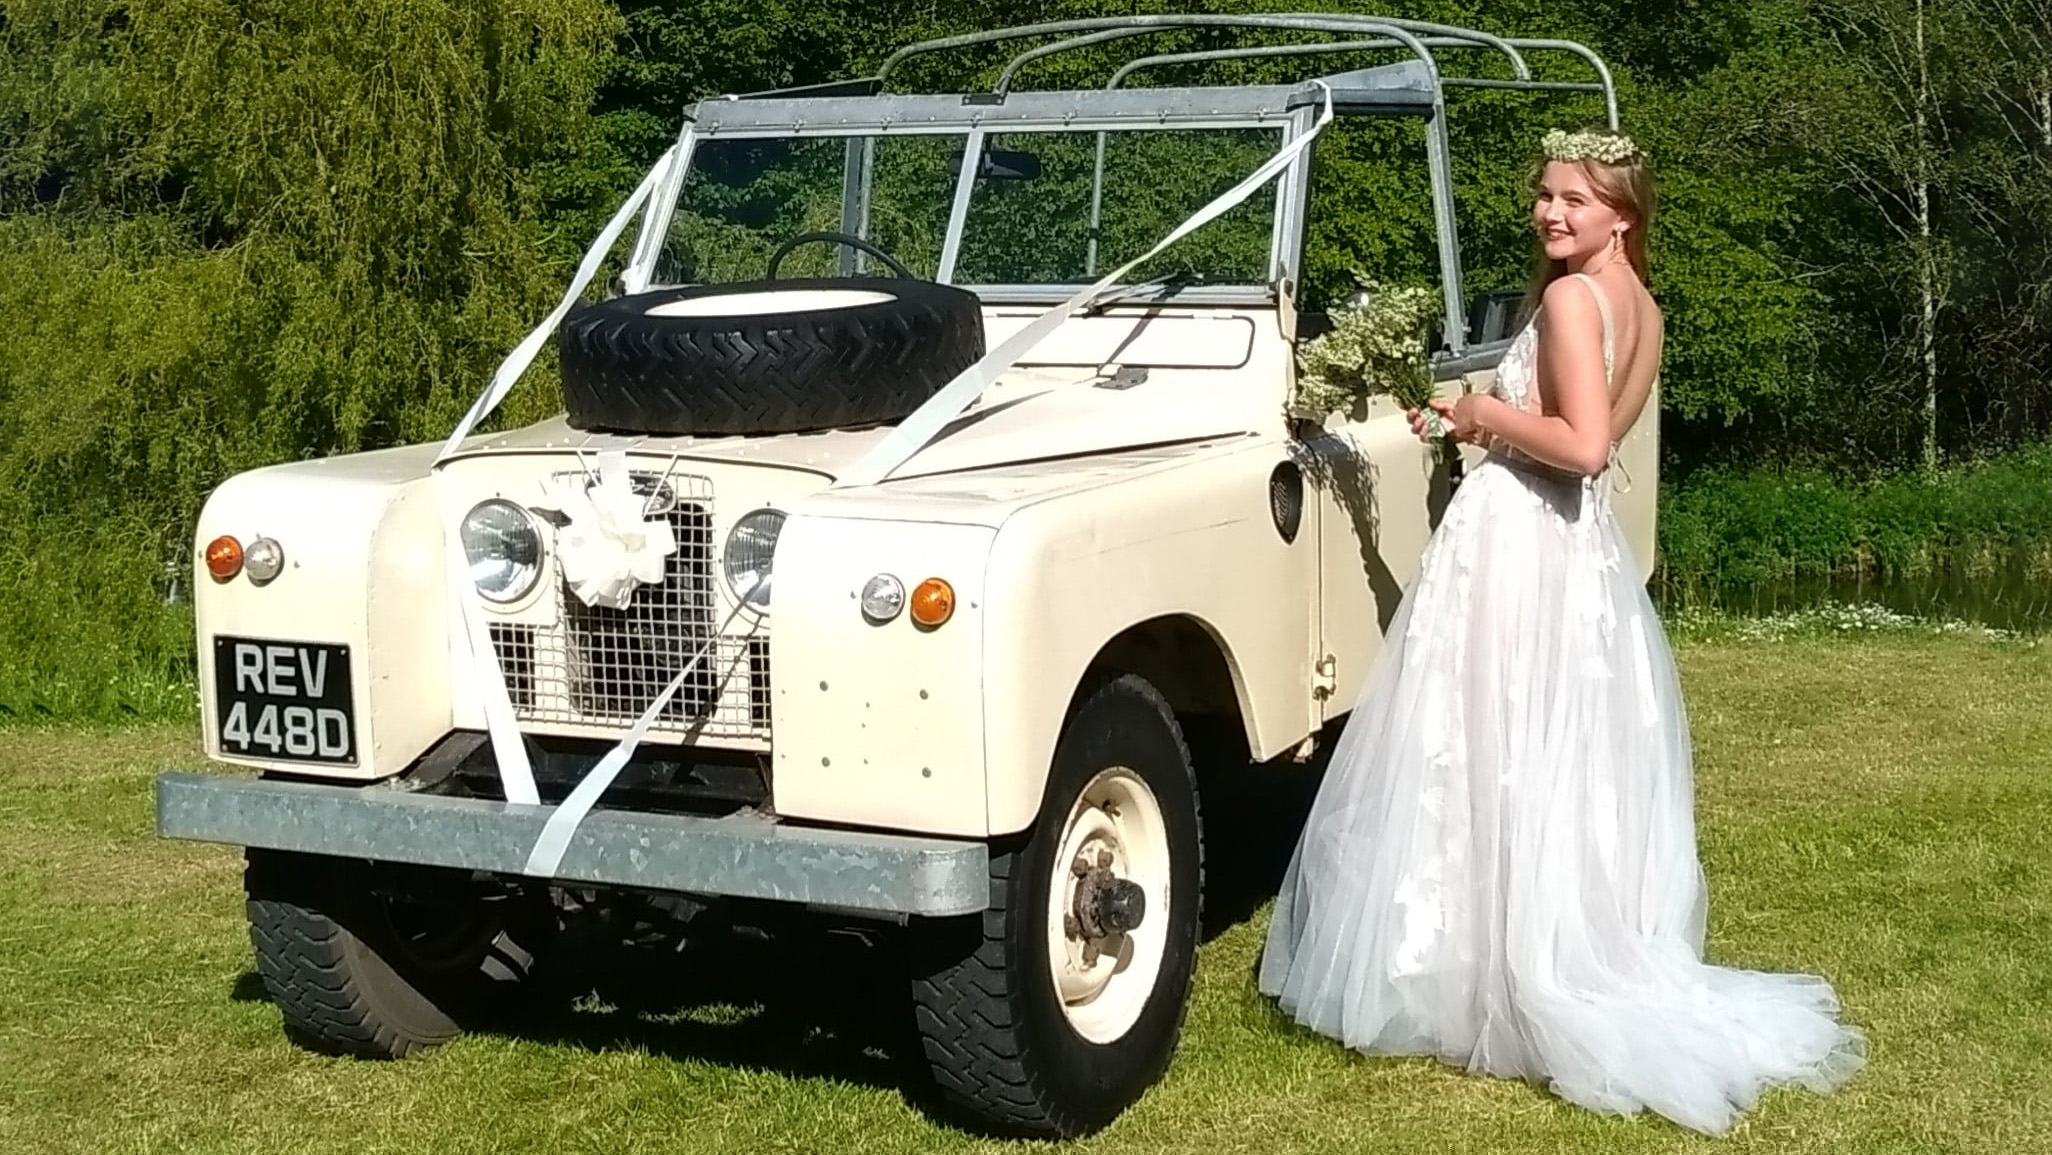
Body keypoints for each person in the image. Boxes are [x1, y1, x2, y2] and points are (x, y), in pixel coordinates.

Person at [1258, 128, 1866, 1134]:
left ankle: (1478, 969)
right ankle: (1519, 945)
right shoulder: (1647, 308)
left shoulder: (1574, 299)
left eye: (1575, 201)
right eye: (1545, 196)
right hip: (1574, 554)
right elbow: (1595, 428)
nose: (1551, 214)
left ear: (1622, 214)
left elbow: (1581, 447)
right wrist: (1478, 419)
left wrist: (1474, 411)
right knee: (1545, 749)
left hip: (1524, 537)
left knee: (1484, 741)